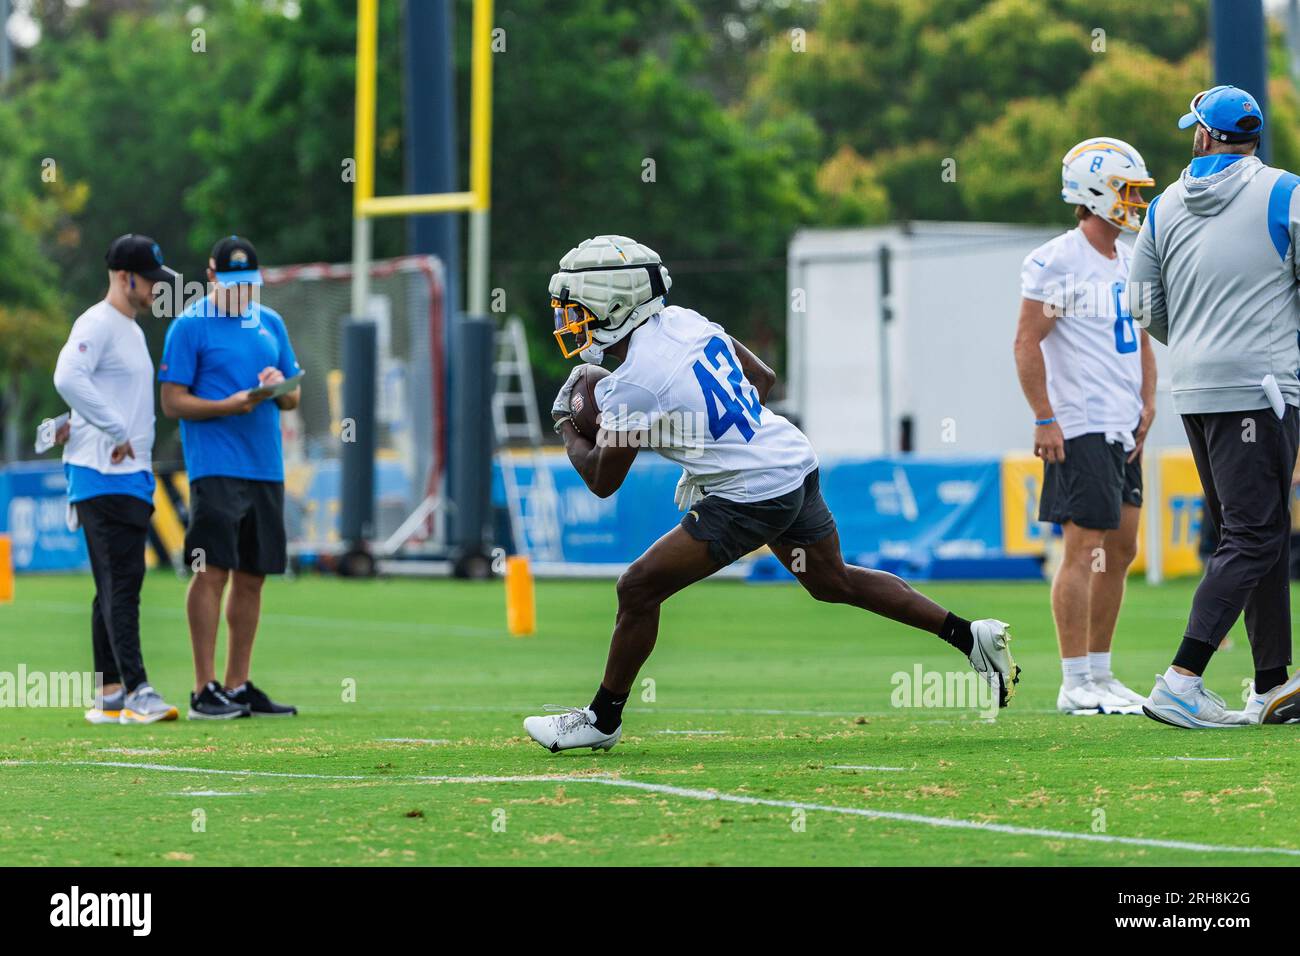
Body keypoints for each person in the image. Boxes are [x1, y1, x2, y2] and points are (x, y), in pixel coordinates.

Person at [522, 235, 1020, 753]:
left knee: (638, 588)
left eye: (575, 310)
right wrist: (707, 453)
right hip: (791, 462)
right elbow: (761, 379)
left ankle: (602, 720)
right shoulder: (686, 321)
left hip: (753, 492)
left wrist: (565, 424)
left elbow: (603, 479)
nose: (567, 323)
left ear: (614, 306)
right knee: (833, 582)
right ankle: (970, 636)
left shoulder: (636, 382)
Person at [1128, 86, 1300, 728]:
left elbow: (1143, 305)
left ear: (1203, 137)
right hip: (1265, 389)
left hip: (1196, 388)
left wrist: (1197, 344)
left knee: (1256, 534)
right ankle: (1182, 678)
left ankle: (1271, 684)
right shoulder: (1285, 191)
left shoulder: (1166, 203)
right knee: (1256, 534)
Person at [1013, 137, 1156, 716]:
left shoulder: (1129, 259)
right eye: (1126, 189)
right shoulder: (1058, 259)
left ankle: (1100, 671)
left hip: (1123, 423)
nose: (1133, 201)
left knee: (1121, 548)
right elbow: (1028, 341)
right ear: (1095, 191)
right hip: (1082, 422)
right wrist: (1045, 416)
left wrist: (1148, 401)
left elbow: (1142, 336)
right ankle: (1075, 681)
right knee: (1083, 548)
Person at [159, 235, 301, 720]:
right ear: (212, 275)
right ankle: (204, 689)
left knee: (253, 575)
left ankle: (238, 686)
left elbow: (294, 396)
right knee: (211, 569)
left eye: (250, 284)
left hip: (265, 464)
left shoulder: (271, 323)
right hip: (215, 466)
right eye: (234, 283)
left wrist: (273, 389)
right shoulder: (189, 325)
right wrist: (227, 405)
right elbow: (172, 400)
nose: (243, 292)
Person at [55, 234, 180, 725]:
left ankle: (110, 692)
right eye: (151, 281)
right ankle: (137, 690)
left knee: (115, 583)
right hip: (102, 475)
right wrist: (112, 427)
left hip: (125, 477)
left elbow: (89, 391)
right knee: (122, 585)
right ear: (126, 277)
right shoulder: (97, 322)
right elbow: (67, 376)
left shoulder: (129, 329)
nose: (156, 290)